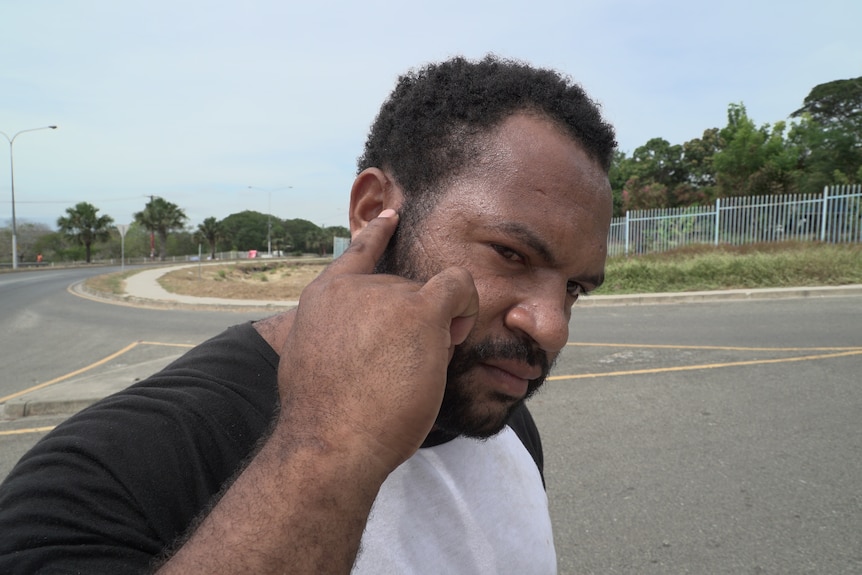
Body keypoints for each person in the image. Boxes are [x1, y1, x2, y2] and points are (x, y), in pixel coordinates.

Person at [0, 54, 616, 574]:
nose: (553, 326)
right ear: (374, 209)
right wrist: (330, 444)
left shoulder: (498, 419)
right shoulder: (112, 471)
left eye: (575, 289)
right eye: (510, 253)